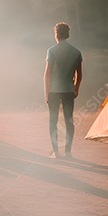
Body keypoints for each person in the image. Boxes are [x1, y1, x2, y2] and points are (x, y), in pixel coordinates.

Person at [44, 22, 82, 158]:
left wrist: (46, 92)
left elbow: (47, 73)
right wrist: (76, 89)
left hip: (53, 90)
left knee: (53, 120)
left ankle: (56, 152)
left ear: (56, 34)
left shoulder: (52, 51)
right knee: (69, 120)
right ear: (68, 34)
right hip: (68, 90)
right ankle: (68, 151)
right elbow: (79, 74)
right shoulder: (76, 52)